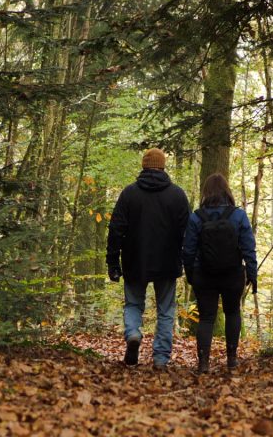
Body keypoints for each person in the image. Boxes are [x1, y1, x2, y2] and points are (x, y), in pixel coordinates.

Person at [106, 148, 190, 370]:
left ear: (143, 167)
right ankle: (161, 359)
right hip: (168, 262)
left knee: (133, 304)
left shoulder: (129, 194)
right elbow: (188, 233)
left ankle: (133, 333)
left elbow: (115, 229)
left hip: (135, 260)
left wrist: (113, 262)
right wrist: (188, 261)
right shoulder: (177, 195)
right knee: (166, 310)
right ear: (163, 167)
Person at [182, 173, 257, 374]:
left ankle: (203, 362)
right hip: (232, 274)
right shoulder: (238, 216)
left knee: (206, 317)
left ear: (206, 192)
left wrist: (191, 274)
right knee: (232, 313)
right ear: (227, 191)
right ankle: (232, 359)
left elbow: (188, 250)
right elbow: (249, 247)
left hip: (203, 274)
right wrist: (252, 273)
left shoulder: (196, 217)